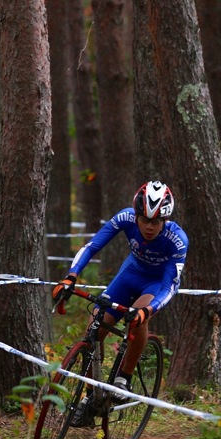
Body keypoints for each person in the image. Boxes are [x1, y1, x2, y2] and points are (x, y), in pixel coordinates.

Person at [52, 180, 188, 425]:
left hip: (157, 284)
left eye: (155, 221)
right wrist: (70, 276)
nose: (149, 226)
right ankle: (92, 397)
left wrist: (147, 310)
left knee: (137, 318)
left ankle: (124, 377)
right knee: (94, 327)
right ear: (135, 215)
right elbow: (92, 246)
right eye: (144, 219)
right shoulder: (124, 218)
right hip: (131, 274)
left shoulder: (177, 240)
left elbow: (169, 286)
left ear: (164, 220)